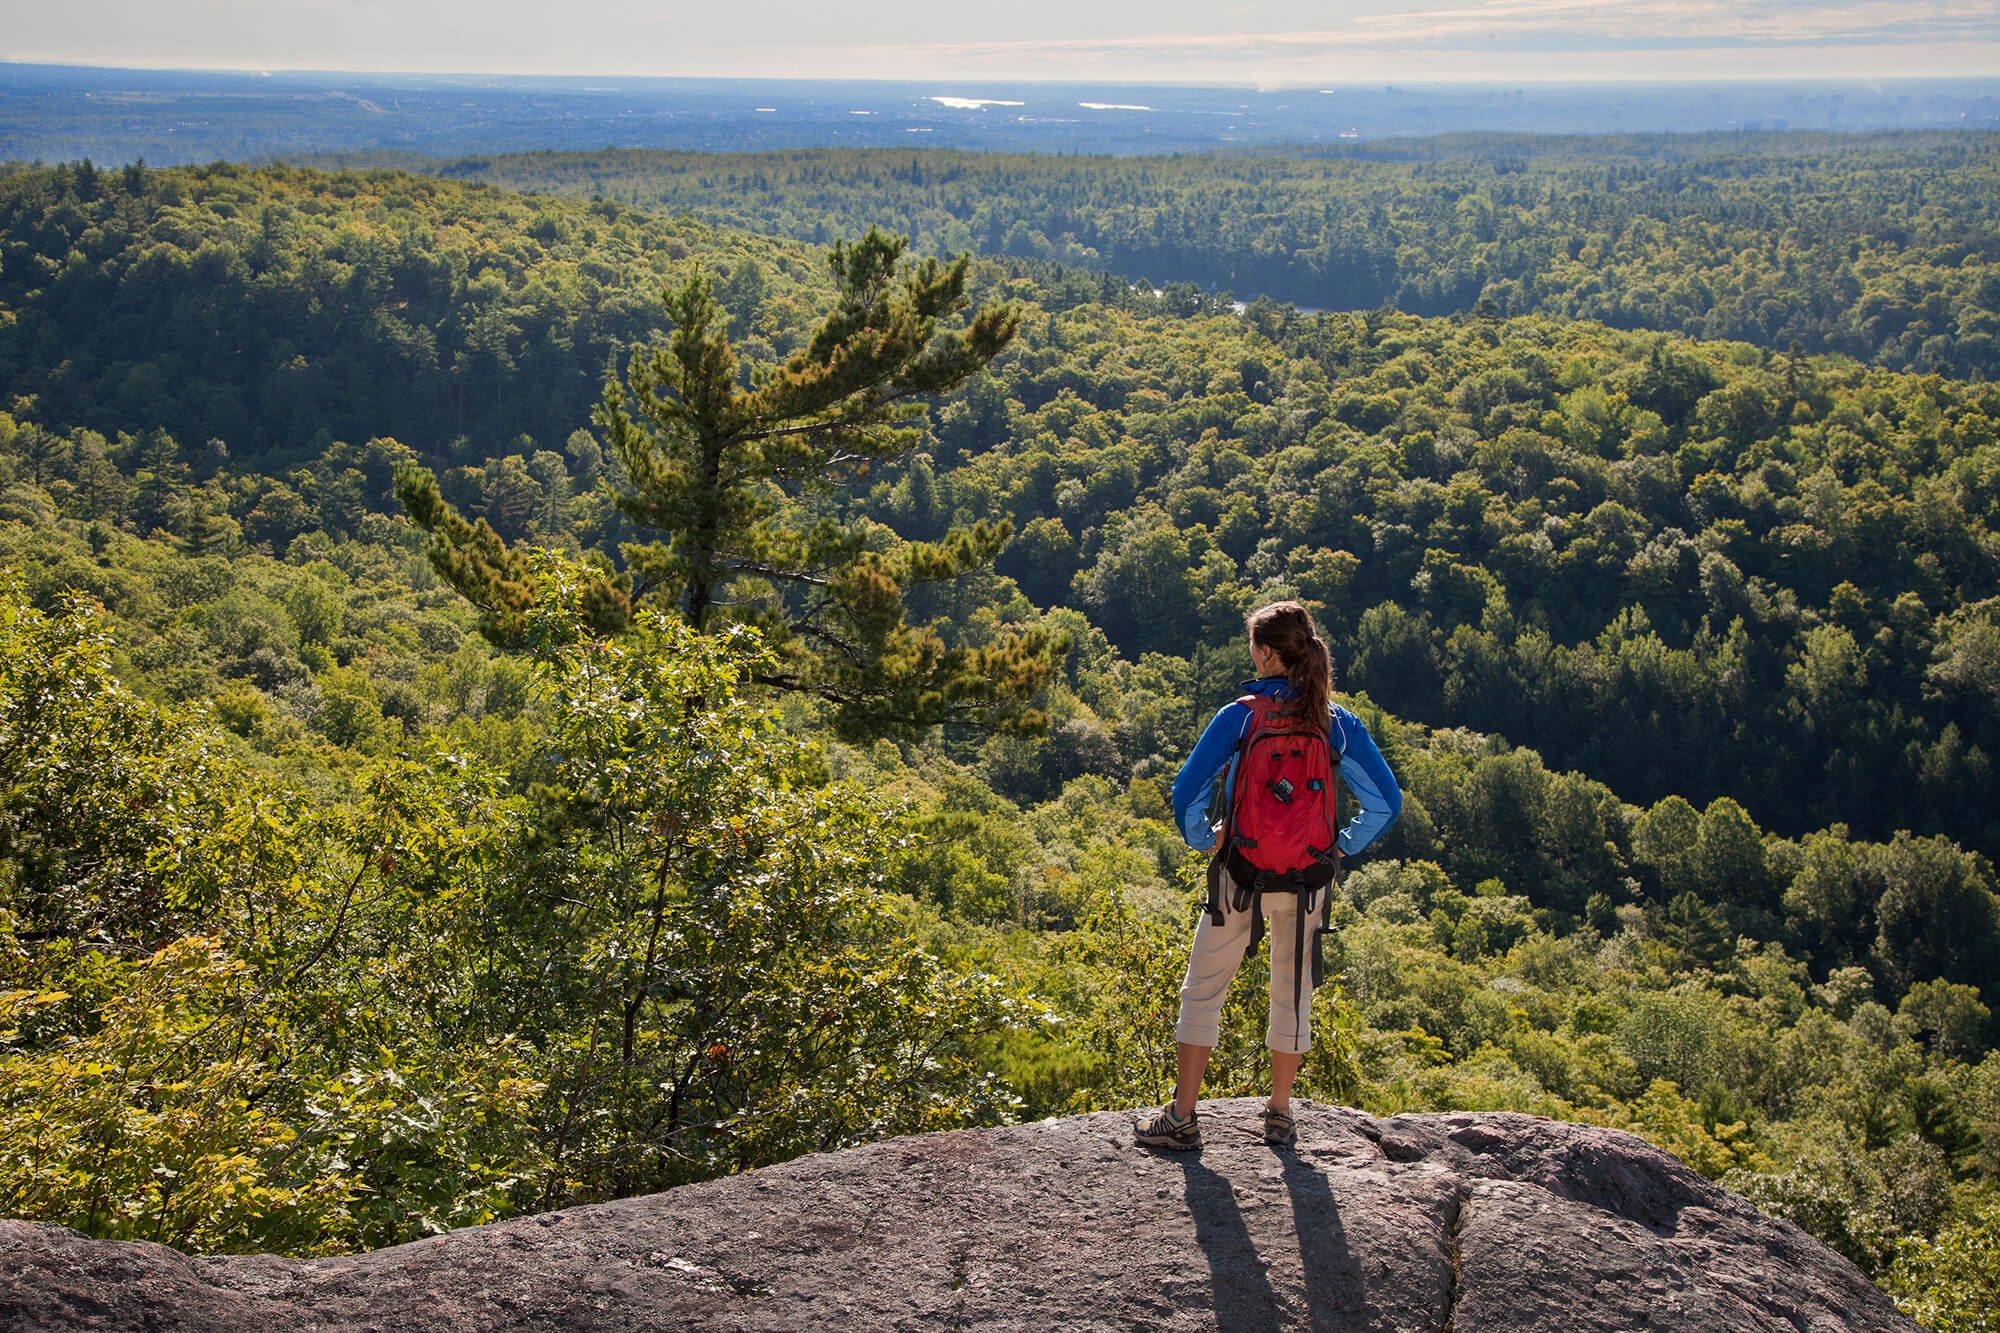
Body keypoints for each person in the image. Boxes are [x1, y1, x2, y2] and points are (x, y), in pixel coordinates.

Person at [1134, 601, 1401, 1150]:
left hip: (1239, 874)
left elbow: (1187, 790)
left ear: (1263, 652)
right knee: (1294, 992)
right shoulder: (1336, 721)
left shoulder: (1241, 714)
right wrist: (1341, 845)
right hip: (1307, 881)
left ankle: (1183, 1117)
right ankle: (1279, 1113)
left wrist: (1203, 835)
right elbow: (1386, 803)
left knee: (1203, 991)